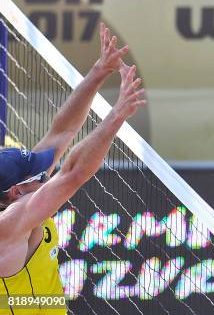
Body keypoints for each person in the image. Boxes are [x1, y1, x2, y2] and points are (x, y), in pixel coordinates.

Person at [0, 24, 146, 314]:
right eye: (38, 176)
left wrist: (100, 70)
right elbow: (73, 174)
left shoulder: (21, 194)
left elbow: (60, 133)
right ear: (16, 191)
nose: (46, 174)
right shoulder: (9, 225)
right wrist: (116, 116)